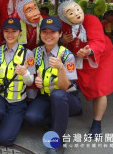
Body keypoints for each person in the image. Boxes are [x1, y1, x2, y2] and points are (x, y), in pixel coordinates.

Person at [24, 16, 82, 154]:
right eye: (45, 31)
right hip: (45, 97)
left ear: (60, 34)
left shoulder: (67, 56)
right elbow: (31, 79)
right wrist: (35, 82)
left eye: (53, 32)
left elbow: (65, 88)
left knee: (57, 94)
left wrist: (61, 68)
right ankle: (57, 120)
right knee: (31, 117)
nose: (48, 35)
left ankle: (57, 142)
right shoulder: (36, 53)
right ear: (40, 33)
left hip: (67, 98)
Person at [59, 0, 113, 136]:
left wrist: (90, 51)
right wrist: (63, 41)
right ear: (65, 17)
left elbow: (97, 40)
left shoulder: (91, 20)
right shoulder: (64, 25)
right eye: (70, 13)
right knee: (72, 82)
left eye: (77, 9)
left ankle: (97, 122)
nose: (77, 14)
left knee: (100, 89)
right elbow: (59, 42)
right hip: (78, 57)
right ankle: (76, 107)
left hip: (100, 56)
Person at [0, 18, 36, 147]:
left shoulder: (28, 53)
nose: (10, 34)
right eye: (6, 31)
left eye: (14, 31)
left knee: (5, 140)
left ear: (20, 32)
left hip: (17, 100)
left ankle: (13, 121)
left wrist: (25, 74)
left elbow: (30, 83)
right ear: (2, 32)